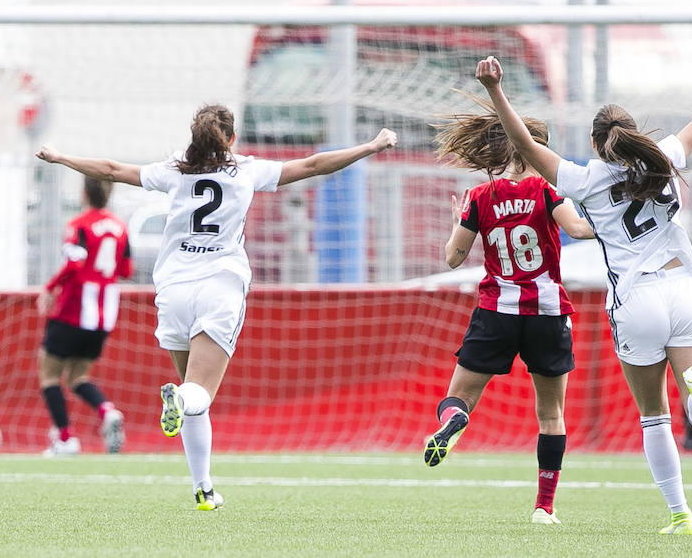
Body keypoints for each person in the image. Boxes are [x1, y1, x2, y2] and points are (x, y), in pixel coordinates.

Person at [37, 103, 397, 510]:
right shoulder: (246, 170)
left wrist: (61, 156)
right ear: (230, 139)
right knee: (197, 395)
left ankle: (203, 488)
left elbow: (110, 169)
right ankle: (182, 406)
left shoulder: (174, 169)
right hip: (219, 287)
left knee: (192, 392)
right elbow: (314, 165)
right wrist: (370, 145)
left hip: (173, 290)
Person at [475, 50, 692, 535]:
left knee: (654, 417)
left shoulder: (585, 180)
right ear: (635, 135)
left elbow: (523, 143)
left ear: (593, 141)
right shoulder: (664, 157)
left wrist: (494, 89)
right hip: (685, 290)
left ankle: (680, 515)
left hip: (636, 300)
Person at [423, 96, 595, 525]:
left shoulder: (480, 196)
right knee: (551, 414)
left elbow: (453, 259)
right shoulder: (548, 190)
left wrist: (456, 220)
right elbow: (577, 229)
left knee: (458, 396)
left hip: (496, 311)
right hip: (547, 313)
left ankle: (455, 421)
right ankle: (544, 507)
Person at [37, 176, 132, 456]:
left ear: (84, 193)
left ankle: (65, 440)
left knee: (49, 375)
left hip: (75, 309)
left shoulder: (79, 224)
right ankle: (107, 411)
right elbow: (126, 269)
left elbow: (75, 263)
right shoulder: (121, 227)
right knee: (78, 377)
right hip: (104, 314)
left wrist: (50, 287)